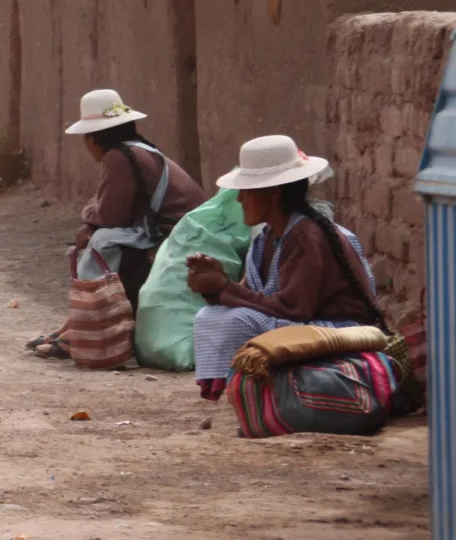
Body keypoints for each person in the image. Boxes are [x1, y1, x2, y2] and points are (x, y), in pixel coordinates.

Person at [186, 135, 386, 400]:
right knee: (208, 316)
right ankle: (240, 386)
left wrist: (223, 287)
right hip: (303, 321)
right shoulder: (267, 238)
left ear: (273, 192)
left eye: (246, 192)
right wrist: (214, 286)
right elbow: (253, 297)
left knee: (236, 321)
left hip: (341, 331)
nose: (239, 200)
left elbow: (294, 309)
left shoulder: (306, 236)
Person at [27, 89, 208, 360]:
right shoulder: (137, 150)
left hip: (172, 236)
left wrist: (87, 215)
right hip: (176, 231)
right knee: (96, 236)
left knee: (99, 242)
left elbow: (110, 215)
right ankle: (73, 326)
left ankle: (84, 330)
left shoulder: (119, 156)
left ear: (92, 138)